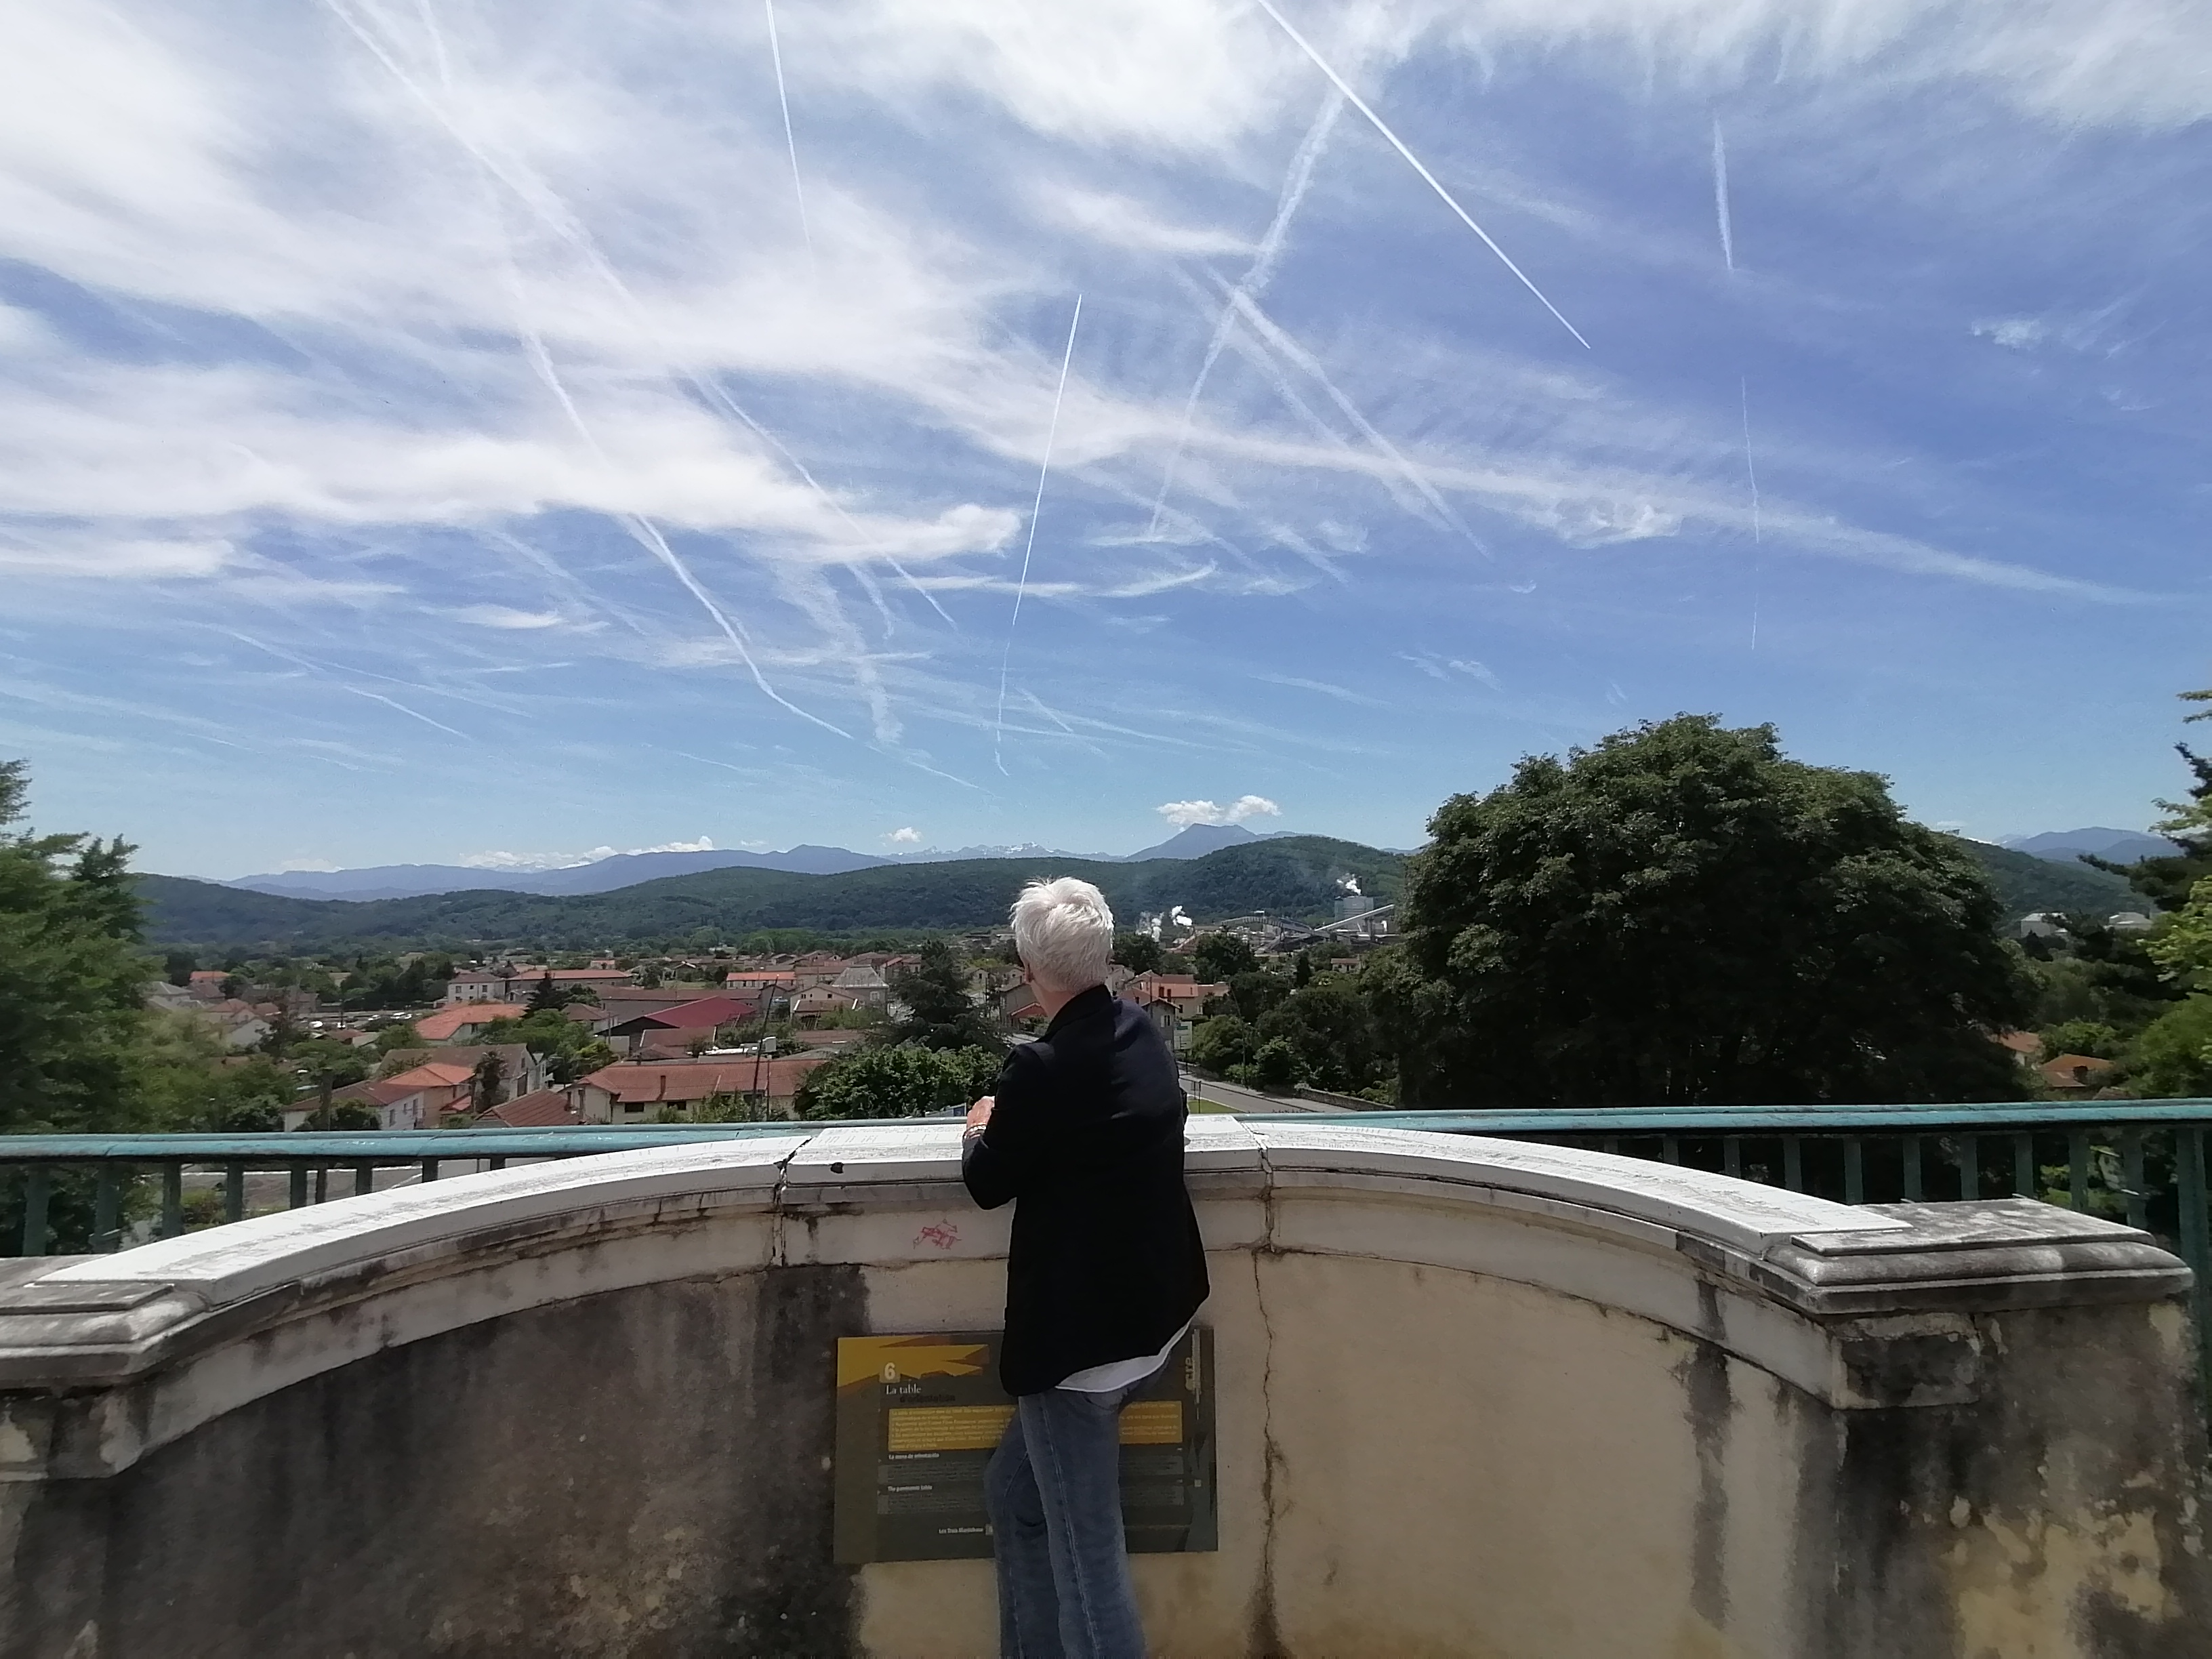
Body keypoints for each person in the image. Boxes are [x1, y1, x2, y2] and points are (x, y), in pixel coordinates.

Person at [962, 877, 1209, 1659]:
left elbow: (988, 1183)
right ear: (1104, 955)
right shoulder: (1140, 1030)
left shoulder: (1038, 1067)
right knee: (1015, 1496)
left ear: (1029, 972)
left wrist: (979, 1124)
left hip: (1080, 1355)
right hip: (1154, 1316)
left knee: (1088, 1570)